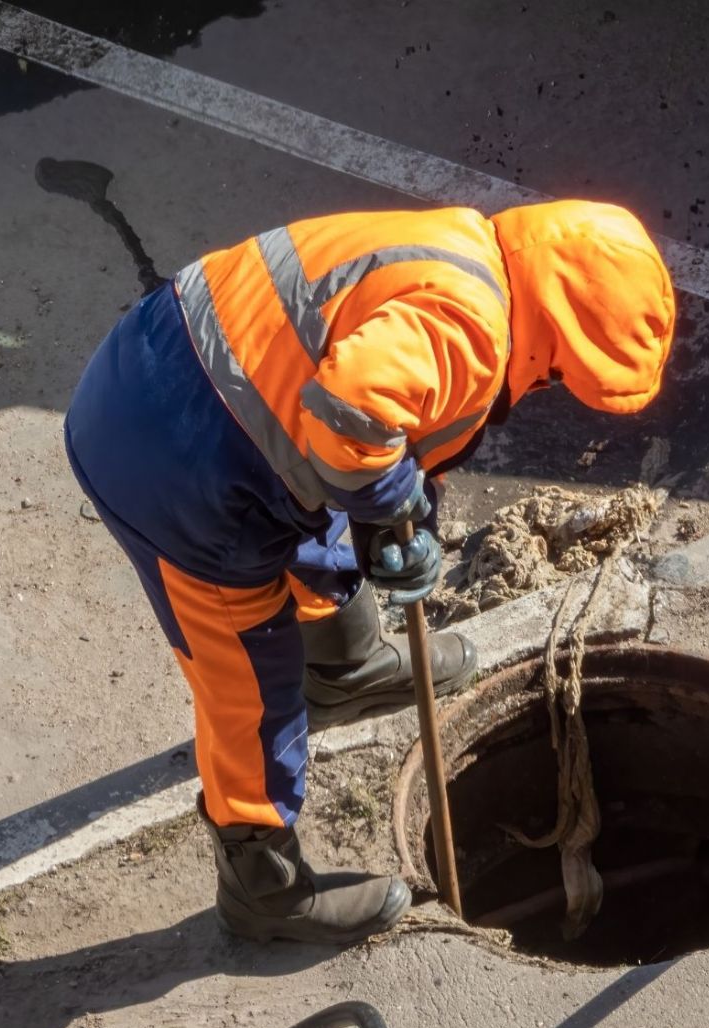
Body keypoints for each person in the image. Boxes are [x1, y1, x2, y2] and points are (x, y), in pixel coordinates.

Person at [66, 200, 676, 946]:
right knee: (249, 683)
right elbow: (351, 415)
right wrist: (391, 505)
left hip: (168, 369)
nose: (550, 385)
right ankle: (263, 883)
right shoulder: (475, 328)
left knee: (322, 523)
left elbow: (383, 410)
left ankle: (346, 668)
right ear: (555, 328)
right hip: (177, 463)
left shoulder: (462, 244)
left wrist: (402, 511)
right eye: (561, 373)